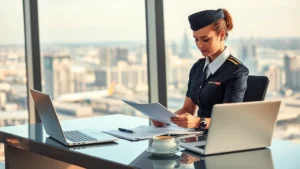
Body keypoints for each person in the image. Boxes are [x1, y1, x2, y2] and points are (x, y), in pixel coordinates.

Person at [152, 8, 249, 130]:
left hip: (221, 138)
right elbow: (187, 109)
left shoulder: (236, 71)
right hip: (197, 137)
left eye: (205, 39)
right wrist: (166, 120)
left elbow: (229, 120)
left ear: (222, 35)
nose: (199, 45)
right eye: (196, 39)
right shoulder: (198, 67)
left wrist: (199, 122)